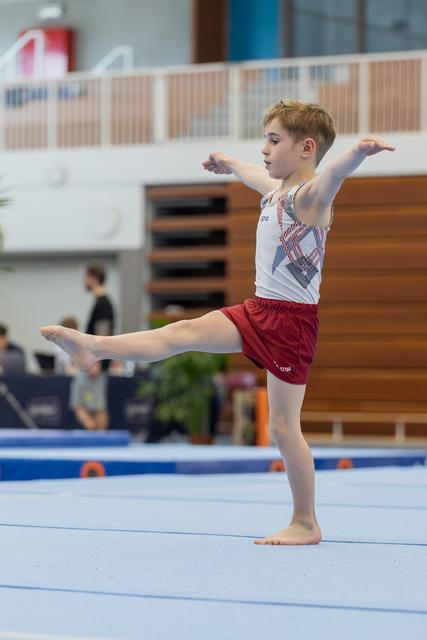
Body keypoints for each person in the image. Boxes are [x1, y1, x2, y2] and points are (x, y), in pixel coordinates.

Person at [40, 99, 394, 544]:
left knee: (283, 428)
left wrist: (358, 153)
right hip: (259, 310)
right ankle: (94, 348)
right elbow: (253, 174)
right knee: (181, 333)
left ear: (307, 147)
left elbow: (334, 177)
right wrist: (228, 162)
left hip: (291, 325)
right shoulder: (275, 191)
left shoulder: (310, 197)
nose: (264, 149)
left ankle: (306, 522)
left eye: (273, 140)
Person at [69, 265, 114, 431]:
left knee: (97, 404)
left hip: (95, 362)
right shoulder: (100, 302)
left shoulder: (103, 303)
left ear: (94, 278)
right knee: (85, 403)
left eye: (85, 278)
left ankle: (100, 436)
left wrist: (97, 361)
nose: (84, 282)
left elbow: (102, 334)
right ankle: (95, 432)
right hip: (92, 360)